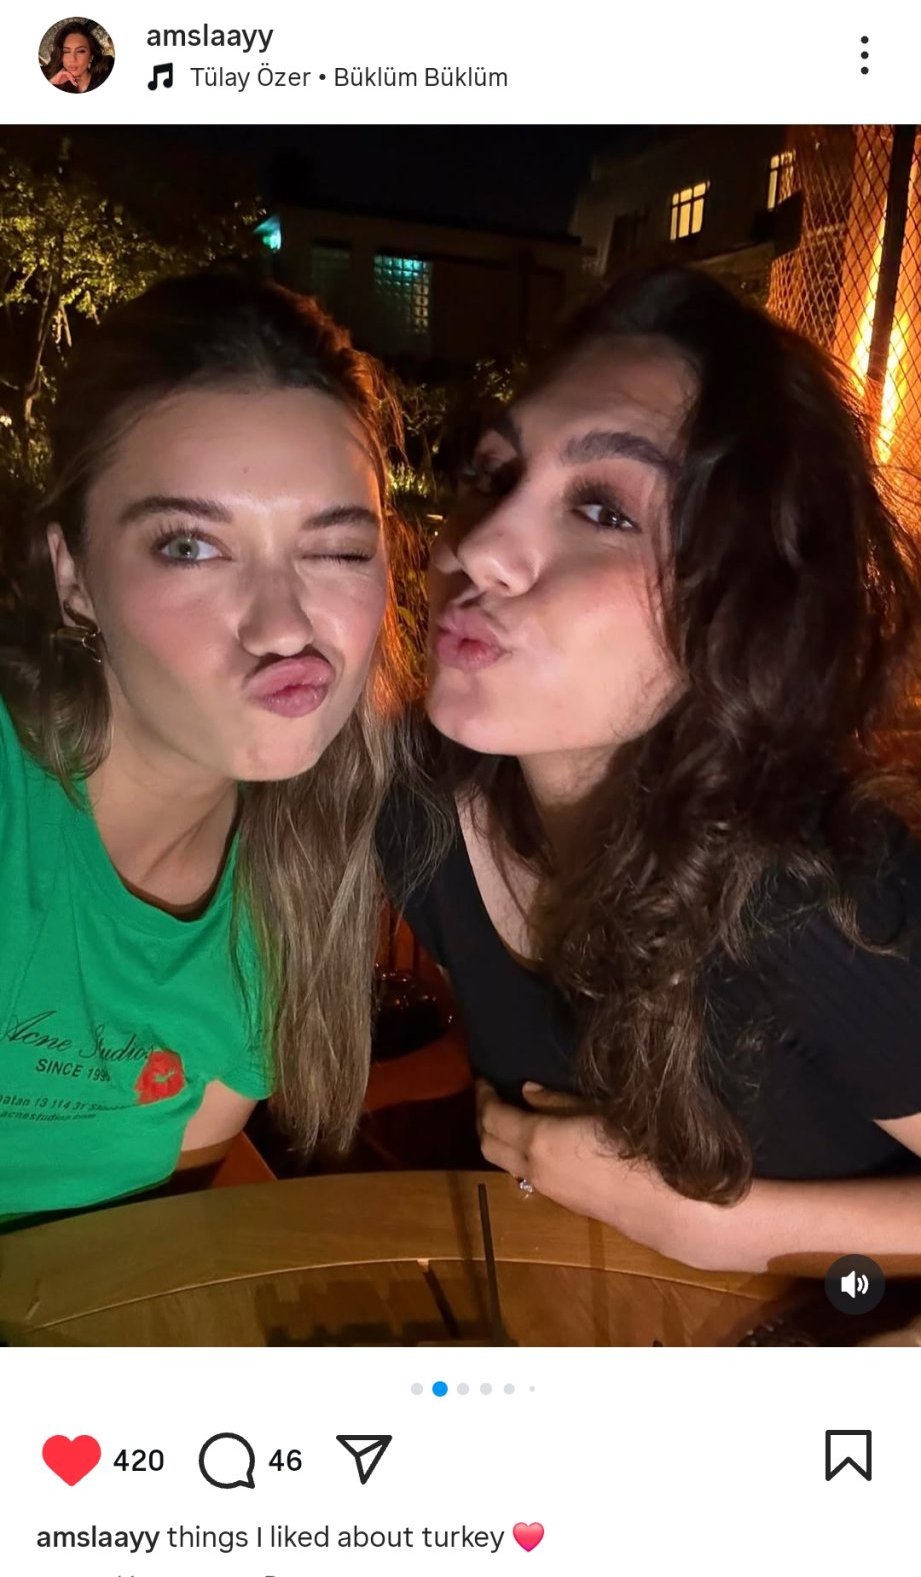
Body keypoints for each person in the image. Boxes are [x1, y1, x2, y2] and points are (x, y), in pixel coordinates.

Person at [379, 263, 921, 1274]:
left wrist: (719, 1222)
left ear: (741, 612)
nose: (481, 546)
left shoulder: (817, 894)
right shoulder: (418, 814)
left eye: (603, 511)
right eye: (493, 476)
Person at [0, 271, 414, 1223]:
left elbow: (160, 1213)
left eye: (337, 548)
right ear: (72, 576)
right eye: (189, 545)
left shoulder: (295, 885)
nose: (284, 626)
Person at [44, 20, 113, 92]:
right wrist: (53, 83)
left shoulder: (106, 73)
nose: (72, 59)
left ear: (91, 56)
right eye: (66, 52)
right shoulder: (55, 83)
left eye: (81, 51)